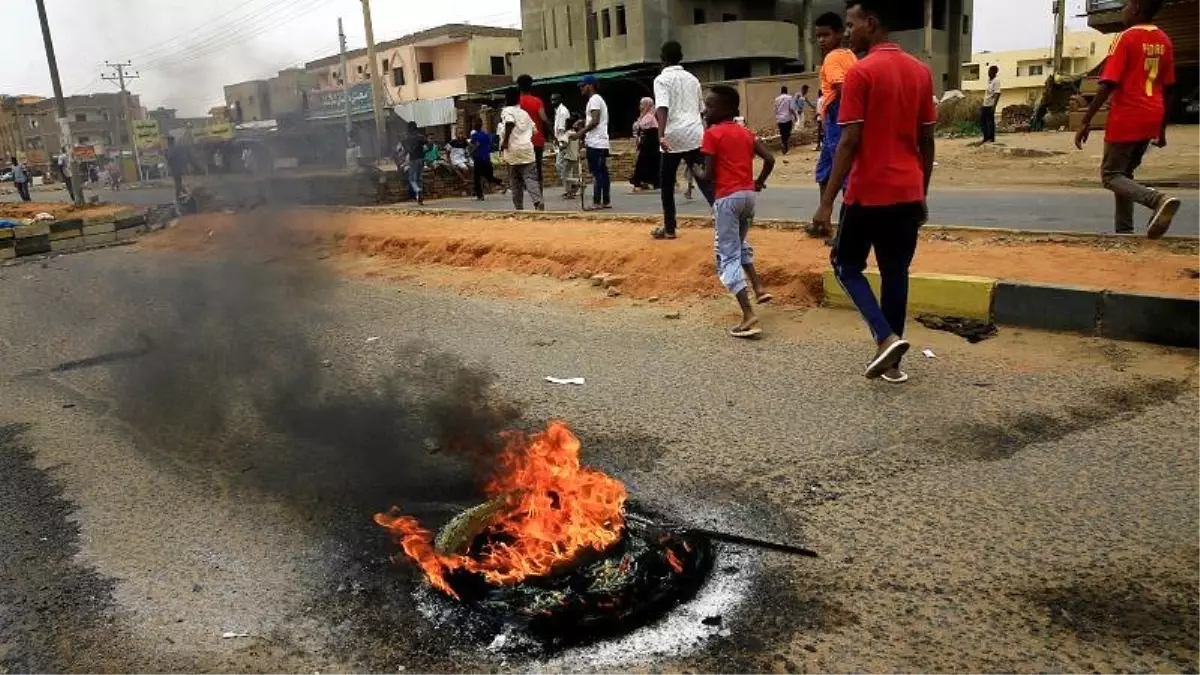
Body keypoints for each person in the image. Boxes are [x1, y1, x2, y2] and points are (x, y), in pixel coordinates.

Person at [812, 1, 937, 383]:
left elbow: (849, 142)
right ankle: (893, 365)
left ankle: (885, 338)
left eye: (851, 25)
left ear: (872, 22)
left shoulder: (861, 74)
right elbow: (927, 140)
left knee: (846, 265)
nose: (848, 33)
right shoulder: (921, 72)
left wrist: (826, 202)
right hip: (908, 190)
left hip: (868, 192)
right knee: (895, 271)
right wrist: (922, 192)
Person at [1075, 0, 1180, 238]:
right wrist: (1161, 130)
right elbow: (1171, 88)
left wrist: (1086, 120)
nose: (1122, 10)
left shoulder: (1126, 37)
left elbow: (1108, 83)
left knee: (1110, 175)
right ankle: (1125, 230)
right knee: (1125, 174)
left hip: (1127, 116)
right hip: (1152, 114)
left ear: (1136, 8)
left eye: (1126, 6)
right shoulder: (1164, 39)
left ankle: (1156, 199)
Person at [691, 85, 776, 339]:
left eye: (711, 106)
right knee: (739, 244)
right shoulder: (745, 132)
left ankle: (748, 314)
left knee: (726, 254)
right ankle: (758, 288)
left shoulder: (712, 135)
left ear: (726, 109)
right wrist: (758, 182)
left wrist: (695, 171)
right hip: (748, 197)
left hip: (727, 198)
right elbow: (770, 160)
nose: (706, 111)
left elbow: (708, 174)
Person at [652, 40, 714, 240]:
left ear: (662, 58)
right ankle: (726, 220)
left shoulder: (661, 80)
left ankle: (669, 228)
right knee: (704, 179)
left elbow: (662, 107)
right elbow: (701, 110)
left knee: (667, 183)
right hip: (695, 134)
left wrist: (660, 134)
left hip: (672, 136)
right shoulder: (693, 79)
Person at [810, 11, 858, 238]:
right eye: (818, 36)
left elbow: (842, 88)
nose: (821, 40)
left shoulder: (832, 58)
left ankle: (844, 232)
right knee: (825, 171)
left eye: (825, 35)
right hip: (836, 115)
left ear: (839, 34)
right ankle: (824, 222)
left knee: (843, 170)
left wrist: (840, 116)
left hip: (837, 115)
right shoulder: (850, 55)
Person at [501, 88, 544, 211]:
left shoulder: (506, 111)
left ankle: (519, 208)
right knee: (530, 179)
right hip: (527, 150)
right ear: (518, 99)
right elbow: (535, 131)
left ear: (506, 100)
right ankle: (537, 201)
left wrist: (505, 141)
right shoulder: (525, 113)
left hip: (512, 150)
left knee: (515, 181)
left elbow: (509, 123)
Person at [580, 75, 611, 210]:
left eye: (583, 86)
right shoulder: (597, 100)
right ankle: (606, 200)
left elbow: (595, 120)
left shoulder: (594, 100)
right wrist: (582, 122)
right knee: (603, 172)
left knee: (597, 172)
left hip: (595, 142)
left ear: (590, 86)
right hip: (601, 141)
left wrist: (580, 133)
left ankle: (597, 201)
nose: (581, 88)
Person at [517, 74, 551, 189]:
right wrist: (553, 135)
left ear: (519, 87)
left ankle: (522, 195)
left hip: (521, 142)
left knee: (521, 169)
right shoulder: (537, 101)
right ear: (531, 86)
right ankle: (539, 195)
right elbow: (544, 119)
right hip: (537, 140)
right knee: (537, 168)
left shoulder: (518, 103)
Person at [469, 117, 504, 201]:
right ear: (481, 126)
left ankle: (480, 196)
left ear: (474, 126)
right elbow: (488, 145)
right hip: (486, 158)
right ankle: (501, 183)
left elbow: (473, 146)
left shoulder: (474, 135)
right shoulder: (486, 135)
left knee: (477, 178)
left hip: (478, 159)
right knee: (489, 177)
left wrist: (471, 152)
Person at [631, 97, 661, 191]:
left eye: (642, 104)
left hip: (651, 144)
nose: (640, 106)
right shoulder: (643, 116)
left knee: (646, 162)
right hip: (646, 144)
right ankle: (644, 181)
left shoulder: (650, 117)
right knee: (643, 163)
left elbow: (645, 128)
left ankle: (647, 181)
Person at [402, 121, 427, 205]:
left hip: (413, 159)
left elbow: (405, 150)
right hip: (421, 159)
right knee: (419, 178)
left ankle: (417, 190)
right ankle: (420, 198)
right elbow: (427, 144)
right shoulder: (420, 137)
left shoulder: (405, 138)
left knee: (412, 179)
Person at [551, 93, 572, 195]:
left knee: (560, 164)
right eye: (551, 100)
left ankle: (573, 185)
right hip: (561, 140)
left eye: (554, 100)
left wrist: (560, 141)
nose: (552, 102)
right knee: (565, 165)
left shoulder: (563, 111)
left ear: (560, 100)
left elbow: (562, 128)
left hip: (564, 140)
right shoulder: (557, 111)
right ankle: (569, 189)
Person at [560, 117, 584, 200]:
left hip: (569, 157)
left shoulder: (568, 134)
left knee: (564, 176)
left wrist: (559, 148)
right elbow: (581, 145)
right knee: (567, 174)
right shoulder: (577, 134)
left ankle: (577, 182)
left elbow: (565, 145)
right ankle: (569, 193)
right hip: (575, 157)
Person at [774, 85, 797, 154]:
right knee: (787, 132)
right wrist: (795, 116)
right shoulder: (789, 98)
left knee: (782, 133)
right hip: (787, 118)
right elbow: (791, 109)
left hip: (780, 119)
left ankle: (784, 144)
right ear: (786, 91)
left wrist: (777, 117)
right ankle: (785, 145)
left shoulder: (776, 99)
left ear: (781, 91)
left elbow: (775, 110)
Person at [981, 65, 1001, 144]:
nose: (988, 73)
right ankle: (986, 137)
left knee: (990, 122)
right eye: (988, 71)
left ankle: (991, 138)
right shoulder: (989, 81)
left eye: (990, 71)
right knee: (983, 121)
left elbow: (997, 94)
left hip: (990, 105)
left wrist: (994, 106)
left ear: (994, 72)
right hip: (985, 104)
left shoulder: (996, 81)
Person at [165, 136, 188, 200]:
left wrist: (165, 154)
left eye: (168, 141)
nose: (167, 142)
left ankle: (180, 195)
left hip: (175, 168)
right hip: (179, 167)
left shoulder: (170, 148)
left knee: (177, 183)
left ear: (169, 141)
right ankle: (183, 193)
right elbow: (183, 157)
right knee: (179, 182)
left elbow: (169, 157)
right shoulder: (177, 147)